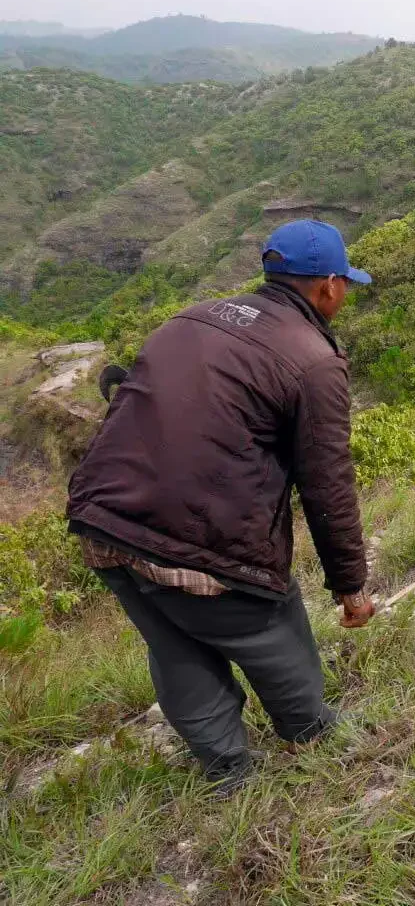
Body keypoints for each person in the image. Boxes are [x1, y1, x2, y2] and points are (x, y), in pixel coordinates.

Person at [66, 219, 375, 790]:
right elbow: (327, 484)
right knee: (268, 628)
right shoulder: (313, 358)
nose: (345, 294)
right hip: (193, 536)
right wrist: (351, 587)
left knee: (174, 642)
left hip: (102, 520)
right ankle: (310, 734)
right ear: (329, 285)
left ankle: (227, 771)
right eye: (345, 284)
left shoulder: (191, 316)